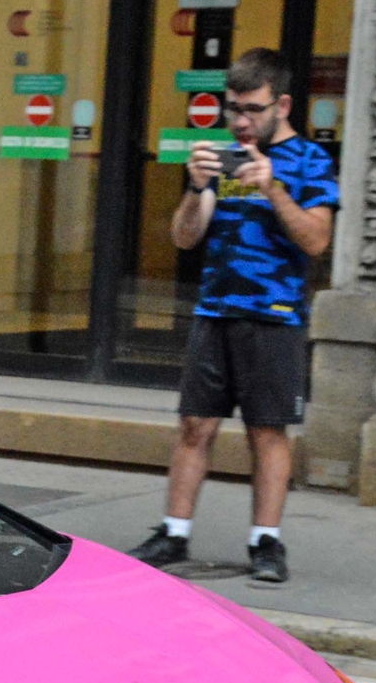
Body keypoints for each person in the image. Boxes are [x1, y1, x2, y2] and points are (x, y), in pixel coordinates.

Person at [129, 47, 338, 587]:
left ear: (282, 104)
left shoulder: (311, 162)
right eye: (233, 110)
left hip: (274, 317)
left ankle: (265, 541)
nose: (241, 122)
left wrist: (272, 187)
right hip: (214, 311)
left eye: (252, 109)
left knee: (268, 433)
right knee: (194, 425)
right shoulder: (223, 157)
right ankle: (174, 532)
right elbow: (183, 238)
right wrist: (197, 188)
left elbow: (316, 240)